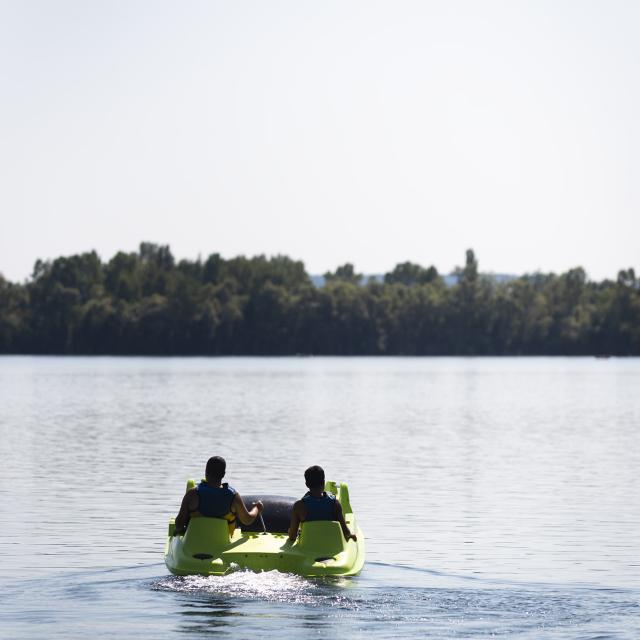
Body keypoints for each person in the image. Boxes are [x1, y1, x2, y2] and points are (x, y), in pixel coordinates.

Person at [174, 456, 263, 535]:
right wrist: (257, 508)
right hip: (222, 546)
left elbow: (178, 525)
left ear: (206, 472)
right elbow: (247, 520)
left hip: (193, 545)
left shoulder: (192, 494)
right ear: (223, 474)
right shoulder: (233, 496)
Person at [288, 465, 357, 542]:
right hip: (332, 548)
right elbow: (346, 533)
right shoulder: (335, 504)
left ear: (306, 484)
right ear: (323, 482)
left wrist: (293, 532)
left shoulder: (299, 506)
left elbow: (292, 536)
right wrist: (351, 535)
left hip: (308, 547)